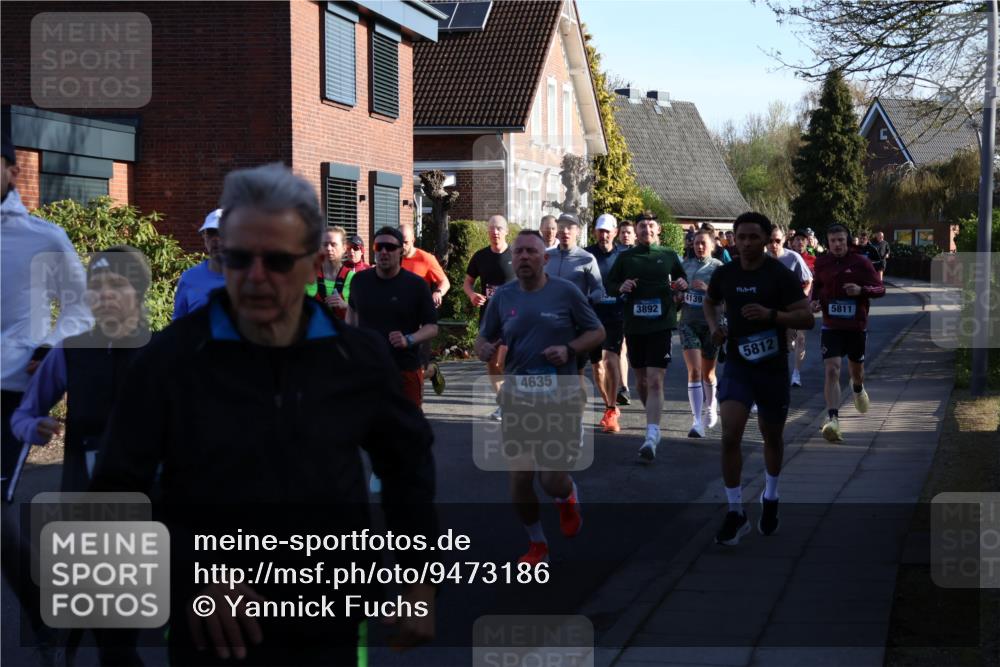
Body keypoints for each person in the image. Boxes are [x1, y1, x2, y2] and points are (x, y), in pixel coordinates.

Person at [90, 164, 438, 665]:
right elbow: (116, 495)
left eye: (276, 260)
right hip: (216, 633)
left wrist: (419, 580)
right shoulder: (169, 362)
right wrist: (193, 574)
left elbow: (408, 467)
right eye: (238, 258)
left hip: (328, 619)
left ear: (314, 262)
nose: (255, 277)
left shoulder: (355, 359)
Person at [10, 247, 150, 666]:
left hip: (155, 508)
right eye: (96, 287)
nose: (104, 296)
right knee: (113, 641)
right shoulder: (70, 351)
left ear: (138, 290)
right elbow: (23, 415)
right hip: (89, 506)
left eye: (116, 286)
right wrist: (33, 428)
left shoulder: (163, 353)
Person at [475, 230, 604, 565]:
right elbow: (483, 339)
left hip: (559, 397)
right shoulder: (503, 297)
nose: (524, 258)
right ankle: (537, 544)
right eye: (518, 253)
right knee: (519, 479)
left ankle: (567, 496)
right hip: (518, 397)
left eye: (531, 252)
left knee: (551, 479)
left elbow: (597, 332)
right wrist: (485, 348)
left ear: (545, 259)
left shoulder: (567, 293)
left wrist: (570, 349)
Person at [703, 212, 814, 545]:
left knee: (772, 437)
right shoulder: (725, 273)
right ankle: (735, 512)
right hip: (738, 365)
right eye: (741, 237)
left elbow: (806, 318)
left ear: (766, 239)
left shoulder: (779, 275)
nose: (747, 243)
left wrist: (772, 316)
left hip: (771, 367)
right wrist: (715, 330)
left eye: (754, 237)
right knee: (730, 435)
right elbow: (710, 303)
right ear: (733, 240)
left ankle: (771, 495)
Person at [1, 135, 92, 502]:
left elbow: (81, 305)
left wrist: (49, 347)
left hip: (10, 382)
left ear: (12, 171)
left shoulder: (44, 238)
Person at [606, 211, 687, 462]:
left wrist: (681, 288)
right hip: (635, 325)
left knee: (655, 381)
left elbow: (682, 280)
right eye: (642, 226)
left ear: (658, 230)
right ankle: (652, 420)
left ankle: (652, 434)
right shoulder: (626, 258)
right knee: (641, 382)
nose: (646, 230)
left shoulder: (669, 255)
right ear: (636, 231)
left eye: (651, 226)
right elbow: (609, 284)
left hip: (661, 325)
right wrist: (621, 286)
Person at [349, 226, 439, 408]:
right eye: (378, 247)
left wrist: (409, 339)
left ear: (400, 252)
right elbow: (351, 317)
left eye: (390, 248)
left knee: (408, 429)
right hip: (369, 368)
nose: (383, 251)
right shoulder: (359, 281)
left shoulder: (416, 285)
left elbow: (432, 327)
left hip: (404, 368)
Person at [811, 224, 885, 442]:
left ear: (848, 241)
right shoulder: (822, 262)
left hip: (855, 327)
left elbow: (881, 289)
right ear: (828, 242)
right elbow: (817, 285)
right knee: (832, 370)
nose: (836, 244)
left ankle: (858, 387)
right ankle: (833, 420)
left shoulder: (861, 262)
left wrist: (861, 290)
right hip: (831, 325)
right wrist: (814, 301)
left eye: (841, 240)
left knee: (856, 371)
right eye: (832, 240)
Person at [464, 215, 515, 420]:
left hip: (513, 318)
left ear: (506, 232)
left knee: (505, 361)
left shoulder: (516, 255)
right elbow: (467, 282)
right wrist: (472, 295)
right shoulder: (480, 256)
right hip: (489, 318)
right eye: (492, 229)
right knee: (492, 363)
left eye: (499, 229)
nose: (495, 232)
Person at [545, 213, 605, 375]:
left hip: (575, 325)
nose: (565, 231)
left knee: (574, 373)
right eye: (562, 226)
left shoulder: (586, 258)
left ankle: (575, 400)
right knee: (547, 369)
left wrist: (587, 301)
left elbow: (600, 290)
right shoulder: (547, 256)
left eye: (570, 227)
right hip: (547, 323)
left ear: (578, 231)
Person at [679, 228, 723, 437]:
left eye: (703, 243)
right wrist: (678, 295)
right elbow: (676, 293)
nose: (699, 247)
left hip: (711, 325)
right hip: (688, 323)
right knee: (694, 371)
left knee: (708, 373)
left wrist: (707, 290)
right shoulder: (684, 265)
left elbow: (726, 299)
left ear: (712, 245)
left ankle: (711, 406)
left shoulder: (719, 269)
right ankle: (697, 421)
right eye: (696, 243)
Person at [584, 214, 626, 433]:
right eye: (600, 231)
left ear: (615, 232)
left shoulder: (624, 256)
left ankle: (611, 409)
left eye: (607, 231)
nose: (604, 235)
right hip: (592, 316)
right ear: (595, 232)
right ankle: (609, 405)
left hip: (615, 315)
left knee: (610, 361)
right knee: (597, 367)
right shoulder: (586, 254)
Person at [399, 221, 450, 395]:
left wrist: (438, 293)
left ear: (413, 239)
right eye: (400, 241)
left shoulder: (425, 258)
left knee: (417, 368)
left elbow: (445, 282)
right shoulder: (393, 258)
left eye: (406, 241)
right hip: (398, 319)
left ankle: (432, 371)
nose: (402, 246)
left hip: (421, 319)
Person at [766, 227, 814, 388]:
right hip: (767, 313)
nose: (773, 244)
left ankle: (795, 373)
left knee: (794, 342)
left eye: (777, 241)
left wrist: (800, 299)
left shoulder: (793, 258)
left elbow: (808, 281)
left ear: (784, 240)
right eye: (770, 241)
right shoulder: (760, 259)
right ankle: (765, 391)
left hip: (790, 312)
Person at [174, 209, 227, 319]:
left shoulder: (252, 277)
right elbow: (178, 326)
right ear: (204, 238)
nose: (215, 240)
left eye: (221, 232)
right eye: (210, 234)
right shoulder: (189, 278)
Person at [306, 225, 355, 319]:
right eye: (325, 244)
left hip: (342, 331)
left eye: (333, 244)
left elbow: (362, 314)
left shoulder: (353, 278)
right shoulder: (308, 275)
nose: (328, 248)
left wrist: (345, 306)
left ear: (344, 248)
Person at [615, 219, 637, 406]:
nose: (626, 235)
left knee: (635, 349)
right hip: (619, 306)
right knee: (621, 347)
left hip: (640, 308)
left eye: (629, 232)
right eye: (623, 232)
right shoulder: (615, 254)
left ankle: (645, 380)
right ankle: (624, 387)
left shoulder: (641, 254)